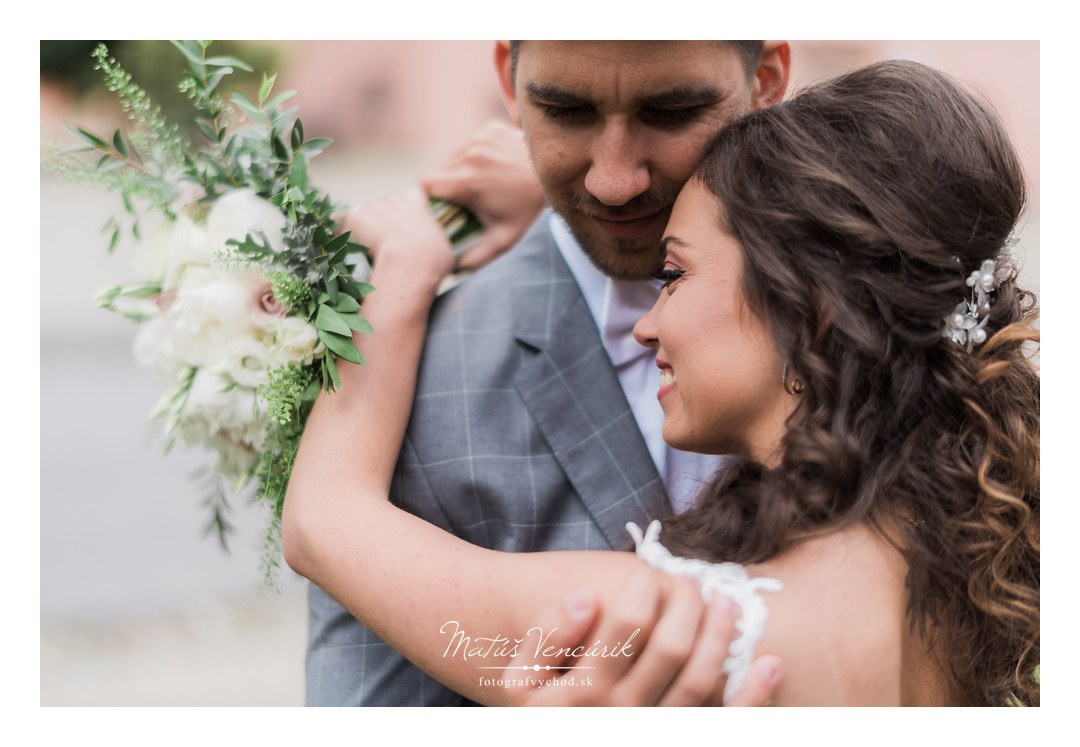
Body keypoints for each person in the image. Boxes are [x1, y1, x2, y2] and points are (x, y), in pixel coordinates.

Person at [285, 59, 1039, 705]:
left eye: (673, 274)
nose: (648, 324)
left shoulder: (682, 633)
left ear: (814, 309)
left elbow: (324, 521)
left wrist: (402, 275)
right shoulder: (967, 574)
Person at [302, 40, 791, 706]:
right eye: (564, 110)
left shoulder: (893, 333)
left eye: (672, 111)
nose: (613, 181)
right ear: (508, 78)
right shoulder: (407, 387)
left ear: (766, 80)